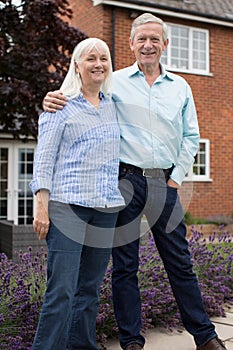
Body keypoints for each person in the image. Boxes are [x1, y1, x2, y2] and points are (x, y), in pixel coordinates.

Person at [42, 13, 227, 350]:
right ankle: (131, 341)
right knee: (125, 267)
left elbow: (191, 137)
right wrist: (52, 98)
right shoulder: (116, 83)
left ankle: (205, 336)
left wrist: (176, 179)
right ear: (131, 44)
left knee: (180, 262)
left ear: (165, 44)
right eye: (141, 38)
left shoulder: (181, 87)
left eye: (155, 39)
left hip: (163, 184)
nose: (148, 44)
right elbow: (83, 95)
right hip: (124, 183)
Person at [30, 37, 124, 350]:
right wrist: (40, 205)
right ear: (77, 66)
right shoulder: (60, 105)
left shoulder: (114, 105)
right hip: (67, 207)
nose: (98, 64)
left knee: (90, 290)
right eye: (91, 59)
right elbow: (43, 159)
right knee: (62, 290)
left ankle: (82, 345)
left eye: (104, 58)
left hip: (106, 207)